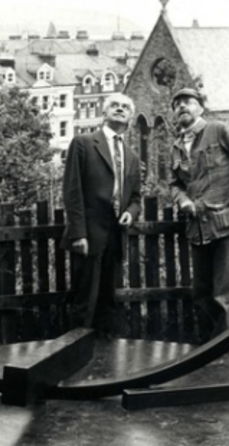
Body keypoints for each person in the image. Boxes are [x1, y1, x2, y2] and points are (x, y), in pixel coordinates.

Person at [168, 87, 229, 341]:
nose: (182, 106)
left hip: (225, 224)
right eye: (177, 104)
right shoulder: (176, 146)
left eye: (188, 102)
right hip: (197, 228)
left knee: (222, 295)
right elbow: (174, 184)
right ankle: (206, 348)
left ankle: (224, 352)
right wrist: (183, 200)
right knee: (201, 294)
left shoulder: (218, 130)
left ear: (200, 108)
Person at [61, 93, 142, 338]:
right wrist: (79, 234)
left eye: (125, 107)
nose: (120, 109)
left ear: (130, 116)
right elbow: (72, 190)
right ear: (104, 113)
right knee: (84, 299)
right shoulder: (83, 143)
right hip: (88, 236)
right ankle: (75, 352)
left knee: (108, 301)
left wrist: (130, 213)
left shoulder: (132, 156)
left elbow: (136, 197)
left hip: (115, 237)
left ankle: (106, 354)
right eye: (114, 105)